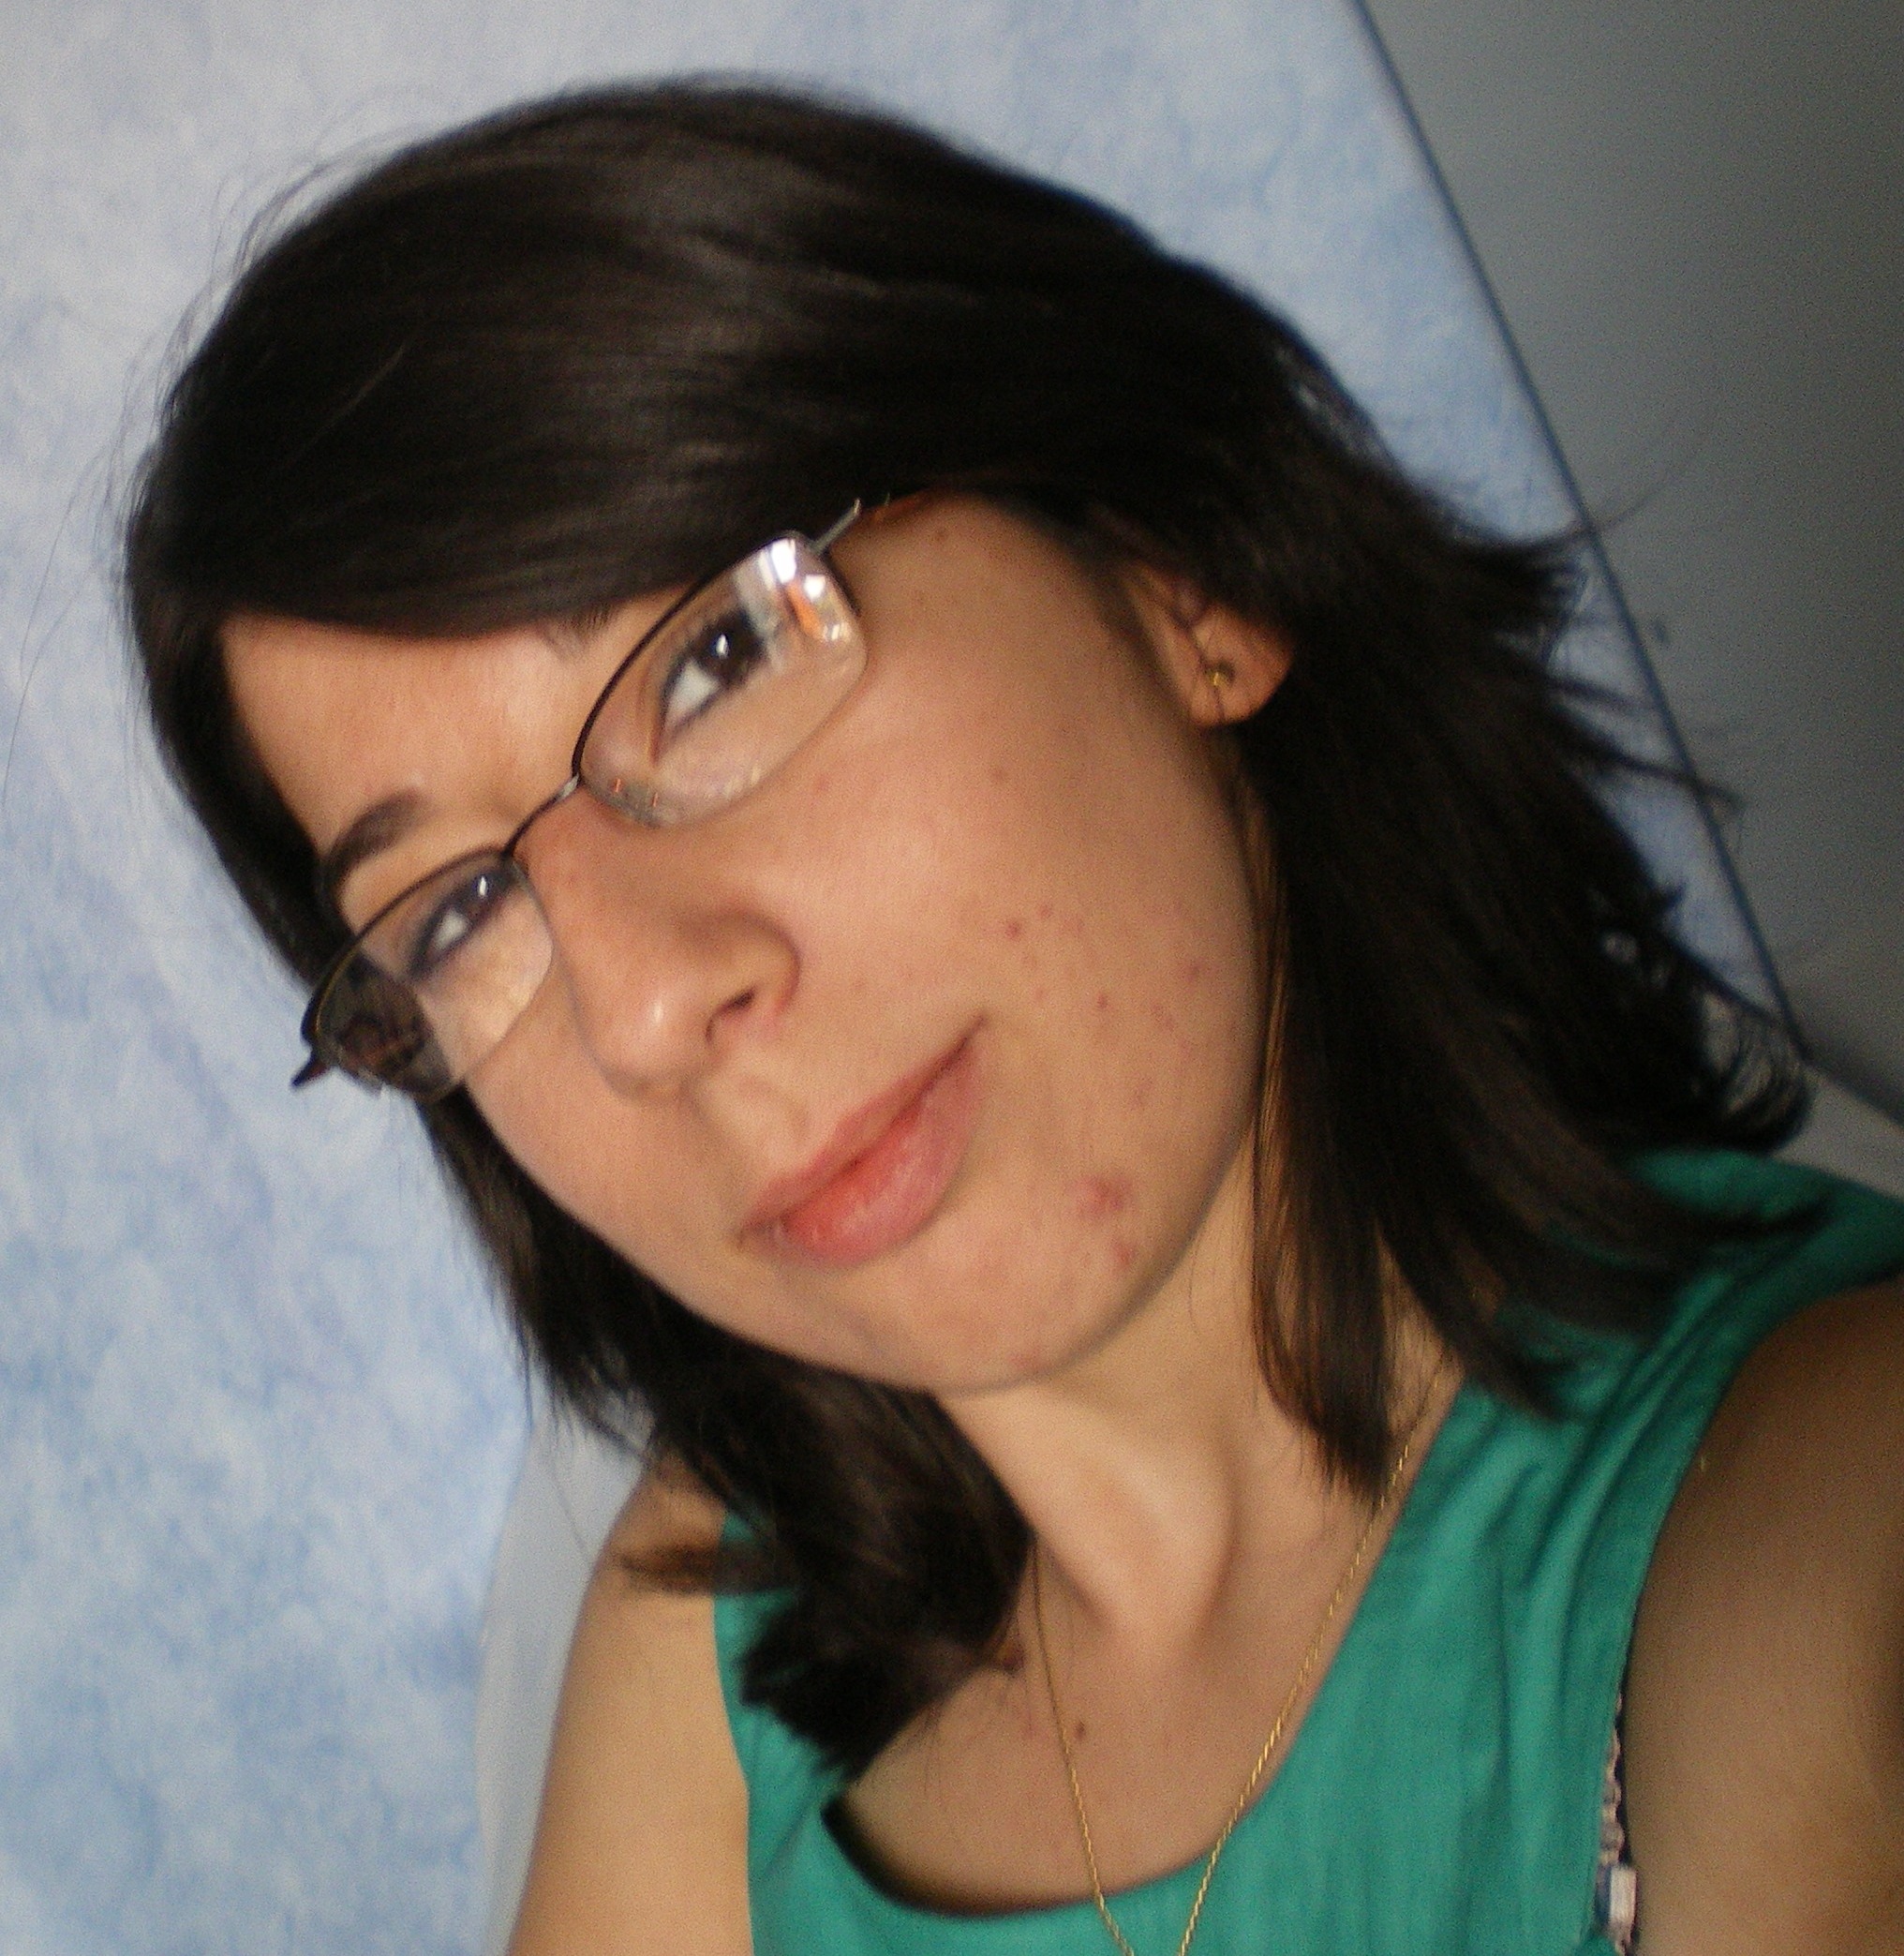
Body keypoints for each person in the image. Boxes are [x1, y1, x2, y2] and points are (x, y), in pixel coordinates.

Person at [123, 83, 1904, 1956]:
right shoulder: (714, 1628)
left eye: (717, 659)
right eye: (453, 914)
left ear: (1176, 568)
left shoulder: (1815, 1536)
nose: (640, 1005)